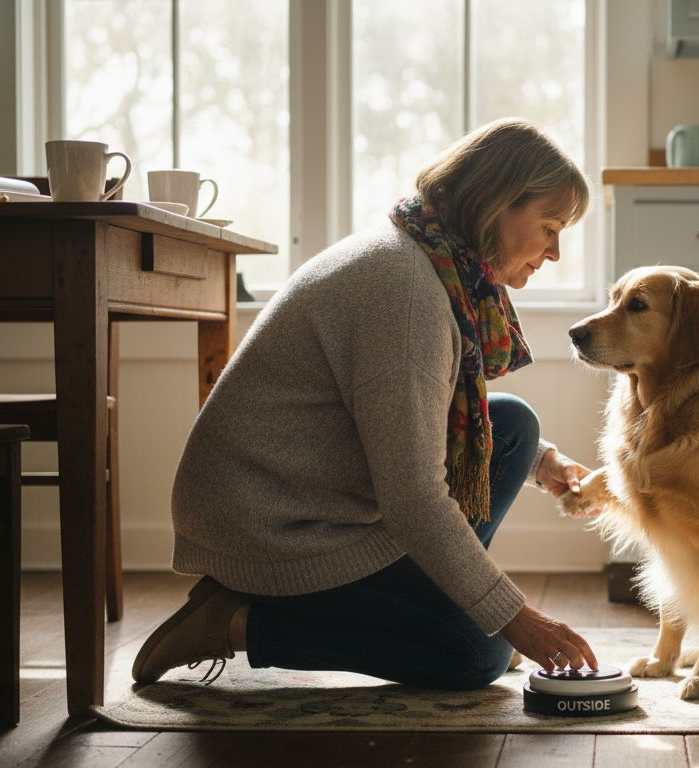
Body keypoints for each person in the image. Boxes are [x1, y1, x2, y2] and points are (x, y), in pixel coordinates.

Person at [132, 118, 598, 689]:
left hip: (311, 495)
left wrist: (541, 461)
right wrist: (513, 617)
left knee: (515, 430)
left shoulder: (430, 258)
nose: (553, 252)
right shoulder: (407, 293)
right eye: (549, 227)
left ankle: (441, 608)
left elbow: (424, 418)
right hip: (272, 527)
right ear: (497, 205)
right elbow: (413, 499)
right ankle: (234, 621)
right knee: (478, 656)